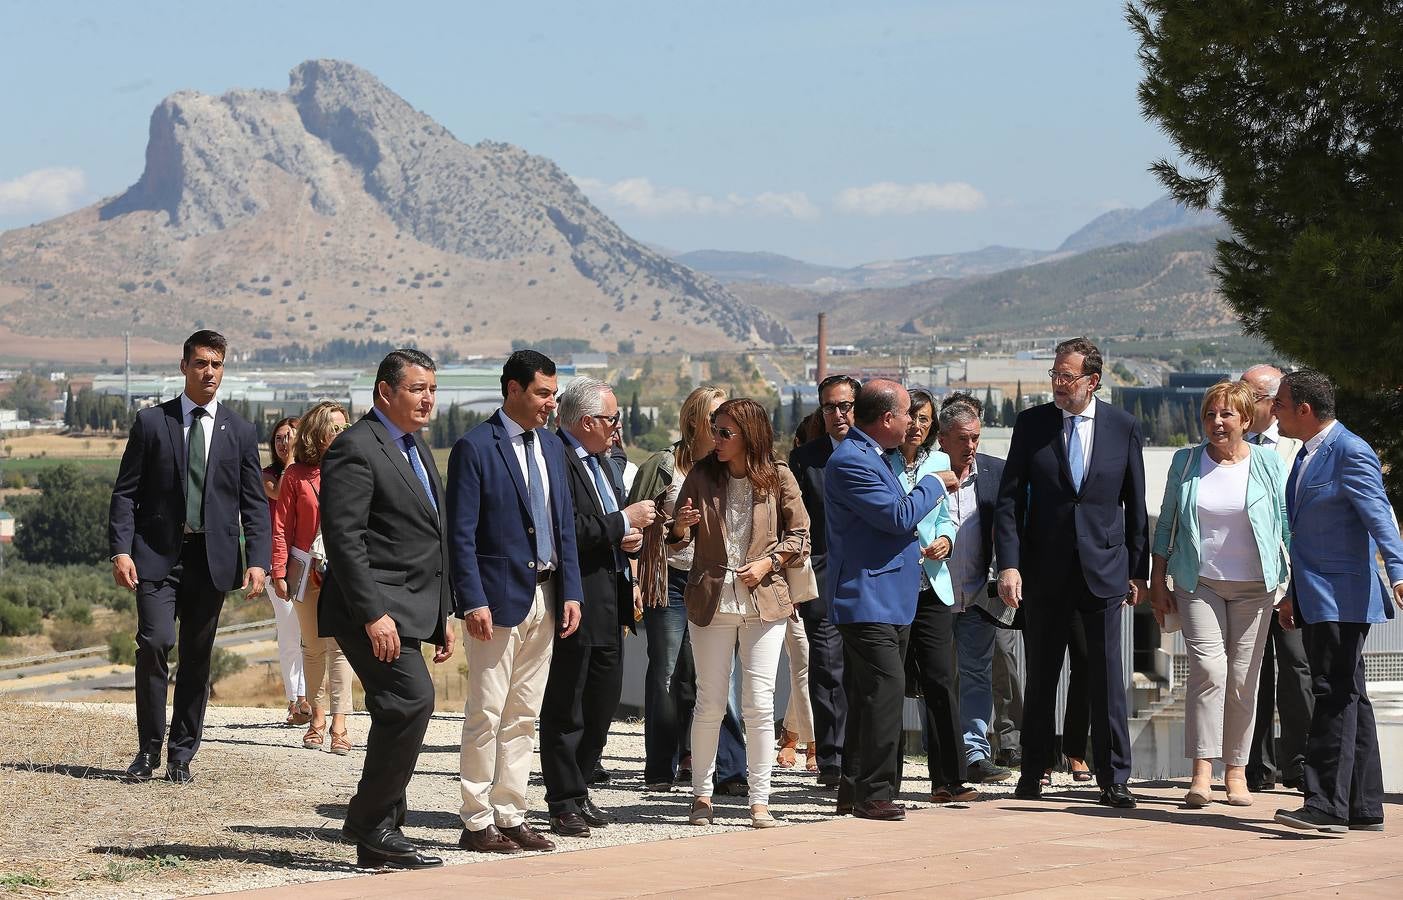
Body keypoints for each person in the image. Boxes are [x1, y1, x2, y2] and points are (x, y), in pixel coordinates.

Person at [109, 330, 270, 785]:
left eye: (216, 364)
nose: (209, 373)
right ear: (184, 367)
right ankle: (148, 749)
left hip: (212, 560)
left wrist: (257, 559)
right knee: (156, 643)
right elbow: (125, 494)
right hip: (156, 557)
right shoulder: (151, 423)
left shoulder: (238, 431)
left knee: (197, 658)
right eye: (200, 363)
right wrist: (120, 549)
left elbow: (254, 502)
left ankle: (182, 755)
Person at [996, 336, 1149, 809]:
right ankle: (1033, 771)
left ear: (1092, 381)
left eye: (1067, 377)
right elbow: (1008, 502)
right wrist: (1010, 564)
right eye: (1055, 376)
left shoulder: (1122, 427)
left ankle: (1114, 777)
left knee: (1106, 681)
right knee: (1042, 676)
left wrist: (1138, 571)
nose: (1059, 384)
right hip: (1043, 573)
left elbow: (1135, 505)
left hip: (1104, 573)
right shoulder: (1032, 424)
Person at [319, 349, 455, 869]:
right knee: (411, 700)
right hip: (369, 608)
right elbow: (345, 539)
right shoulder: (356, 448)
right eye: (418, 388)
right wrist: (374, 614)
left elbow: (430, 536)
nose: (428, 399)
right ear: (385, 392)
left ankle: (380, 837)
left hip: (413, 605)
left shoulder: (414, 446)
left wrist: (441, 615)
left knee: (396, 708)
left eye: (433, 389)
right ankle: (368, 820)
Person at [449, 350, 583, 855]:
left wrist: (571, 590)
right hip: (496, 600)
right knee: (486, 710)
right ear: (512, 390)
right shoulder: (474, 448)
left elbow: (564, 524)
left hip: (547, 596)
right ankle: (476, 818)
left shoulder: (551, 448)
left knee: (525, 712)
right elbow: (460, 534)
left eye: (553, 393)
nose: (551, 403)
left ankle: (510, 813)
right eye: (542, 393)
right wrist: (472, 600)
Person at [668, 397, 810, 829]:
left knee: (758, 704)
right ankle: (702, 797)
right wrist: (680, 525)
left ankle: (760, 801)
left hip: (764, 602)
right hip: (711, 601)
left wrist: (769, 562)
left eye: (725, 432)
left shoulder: (779, 475)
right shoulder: (700, 473)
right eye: (714, 429)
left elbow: (801, 534)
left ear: (750, 435)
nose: (716, 438)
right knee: (709, 702)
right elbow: (675, 541)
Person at [1271, 369, 1403, 834]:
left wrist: (1400, 570)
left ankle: (1325, 805)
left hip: (1343, 596)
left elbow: (1379, 516)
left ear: (1304, 409)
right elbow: (1307, 535)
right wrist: (1292, 594)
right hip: (1315, 594)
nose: (1274, 412)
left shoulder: (1349, 450)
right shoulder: (1307, 454)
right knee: (1351, 696)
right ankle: (1363, 805)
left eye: (1280, 405)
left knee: (1333, 694)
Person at [1150, 380, 1290, 808]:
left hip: (1255, 588)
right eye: (1210, 414)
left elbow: (1285, 525)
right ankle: (1202, 772)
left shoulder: (1267, 462)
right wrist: (1158, 581)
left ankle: (1236, 771)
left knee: (1244, 679)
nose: (1217, 422)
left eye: (1226, 414)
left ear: (1246, 420)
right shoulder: (1186, 461)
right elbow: (1166, 523)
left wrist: (1292, 587)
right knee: (1209, 671)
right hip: (1199, 583)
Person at [825, 379, 948, 821]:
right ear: (885, 419)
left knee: (867, 696)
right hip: (866, 597)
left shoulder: (873, 456)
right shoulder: (850, 461)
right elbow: (897, 517)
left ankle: (854, 788)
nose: (912, 423)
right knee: (885, 691)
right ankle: (876, 792)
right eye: (906, 415)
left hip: (889, 597)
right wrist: (934, 484)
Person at [541, 377, 655, 838]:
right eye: (610, 419)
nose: (617, 428)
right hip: (577, 594)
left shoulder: (603, 463)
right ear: (586, 421)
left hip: (612, 594)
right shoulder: (558, 458)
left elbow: (606, 524)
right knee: (569, 703)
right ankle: (562, 799)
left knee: (603, 700)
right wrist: (622, 522)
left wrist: (628, 535)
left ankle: (582, 785)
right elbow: (566, 527)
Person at [628, 386, 748, 794]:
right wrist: (635, 577)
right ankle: (661, 766)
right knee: (667, 672)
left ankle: (731, 770)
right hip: (671, 581)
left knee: (718, 677)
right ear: (696, 420)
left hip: (716, 583)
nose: (721, 426)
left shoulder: (732, 464)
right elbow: (633, 524)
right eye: (715, 417)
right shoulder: (664, 465)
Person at [890, 388, 974, 802]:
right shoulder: (882, 462)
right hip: (892, 587)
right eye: (913, 419)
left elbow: (947, 518)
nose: (918, 427)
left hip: (933, 586)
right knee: (890, 684)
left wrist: (946, 539)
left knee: (941, 680)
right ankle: (883, 782)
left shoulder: (941, 463)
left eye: (925, 420)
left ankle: (949, 780)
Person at [935, 394, 1016, 785]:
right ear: (942, 439)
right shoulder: (925, 475)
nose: (971, 447)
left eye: (976, 438)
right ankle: (942, 753)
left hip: (978, 596)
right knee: (935, 677)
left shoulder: (996, 474)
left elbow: (1011, 529)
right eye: (963, 439)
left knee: (976, 673)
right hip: (932, 596)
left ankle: (974, 754)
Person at [788, 373, 862, 788]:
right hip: (823, 577)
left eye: (845, 406)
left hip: (870, 577)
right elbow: (796, 524)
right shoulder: (807, 459)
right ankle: (831, 759)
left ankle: (862, 752)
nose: (838, 414)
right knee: (827, 667)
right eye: (830, 407)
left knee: (864, 668)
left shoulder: (878, 452)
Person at [1241, 364, 1311, 794]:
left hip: (1289, 578)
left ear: (1270, 402)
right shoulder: (1232, 446)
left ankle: (1299, 764)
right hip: (1245, 578)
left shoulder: (1295, 447)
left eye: (1249, 395)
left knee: (1297, 667)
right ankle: (1257, 765)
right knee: (1252, 671)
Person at [271, 401, 356, 754]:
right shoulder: (295, 476)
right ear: (317, 432)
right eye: (334, 428)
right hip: (306, 572)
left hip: (345, 571)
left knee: (340, 648)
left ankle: (340, 724)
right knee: (313, 646)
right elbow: (281, 528)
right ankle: (316, 719)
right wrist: (278, 571)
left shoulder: (355, 469)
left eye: (344, 428)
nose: (340, 435)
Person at [262, 416, 308, 727]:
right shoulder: (267, 476)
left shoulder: (311, 474)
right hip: (276, 563)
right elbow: (281, 494)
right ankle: (296, 700)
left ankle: (310, 700)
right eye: (279, 438)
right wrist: (292, 458)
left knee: (311, 633)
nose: (283, 442)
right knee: (291, 628)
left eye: (290, 436)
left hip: (307, 560)